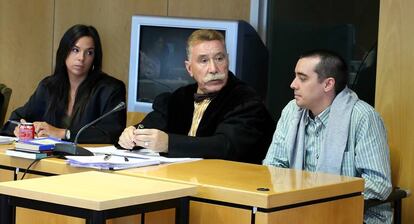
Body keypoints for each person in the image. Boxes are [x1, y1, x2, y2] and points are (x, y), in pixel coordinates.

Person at [263, 50, 392, 223]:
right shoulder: (291, 111)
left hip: (357, 215)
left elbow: (379, 184)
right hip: (301, 211)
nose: (293, 84)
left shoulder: (363, 117)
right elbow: (272, 167)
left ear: (328, 84)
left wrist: (319, 194)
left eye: (302, 78)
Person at [118, 29, 275, 164]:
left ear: (227, 60)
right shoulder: (180, 97)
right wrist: (132, 134)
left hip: (231, 187)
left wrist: (169, 143)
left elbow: (225, 146)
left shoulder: (245, 99)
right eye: (204, 60)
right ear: (189, 68)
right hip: (183, 180)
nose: (213, 68)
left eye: (219, 58)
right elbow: (150, 126)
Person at [1, 24, 126, 143]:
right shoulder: (49, 86)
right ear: (64, 52)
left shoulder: (111, 89)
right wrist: (18, 129)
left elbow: (112, 133)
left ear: (95, 58)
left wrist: (62, 133)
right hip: (49, 161)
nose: (81, 58)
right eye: (75, 50)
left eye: (89, 52)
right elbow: (15, 119)